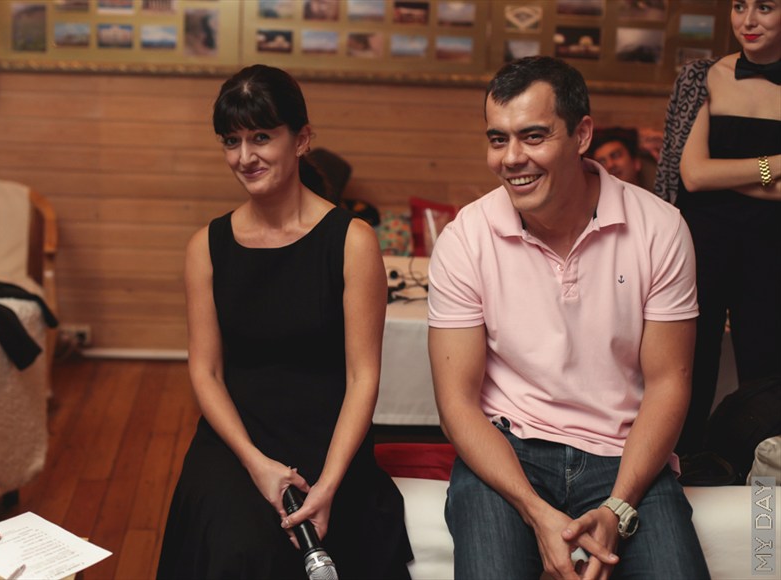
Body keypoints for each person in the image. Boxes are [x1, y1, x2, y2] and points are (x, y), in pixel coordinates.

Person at [428, 56, 709, 579]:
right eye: (497, 139)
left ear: (582, 135)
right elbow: (456, 404)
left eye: (533, 136)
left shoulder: (660, 228)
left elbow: (670, 383)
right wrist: (536, 514)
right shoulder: (466, 238)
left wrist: (619, 506)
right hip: (508, 452)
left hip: (623, 453)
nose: (512, 158)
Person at [157, 64, 412, 579]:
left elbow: (363, 376)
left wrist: (329, 485)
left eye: (261, 137)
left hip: (329, 439)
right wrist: (255, 463)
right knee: (237, 548)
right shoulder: (206, 247)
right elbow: (206, 372)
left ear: (302, 139)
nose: (244, 157)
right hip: (236, 439)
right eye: (231, 141)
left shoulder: (352, 241)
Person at [656, 0, 781, 460]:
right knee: (686, 369)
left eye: (764, 7)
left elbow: (708, 175)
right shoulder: (701, 77)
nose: (747, 21)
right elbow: (692, 176)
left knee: (766, 380)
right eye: (739, 5)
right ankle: (677, 479)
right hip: (700, 247)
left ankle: (762, 498)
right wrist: (772, 166)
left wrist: (724, 175)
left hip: (771, 253)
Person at [585, 126, 655, 190]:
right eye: (602, 162)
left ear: (636, 162)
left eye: (615, 156)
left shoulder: (655, 198)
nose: (610, 165)